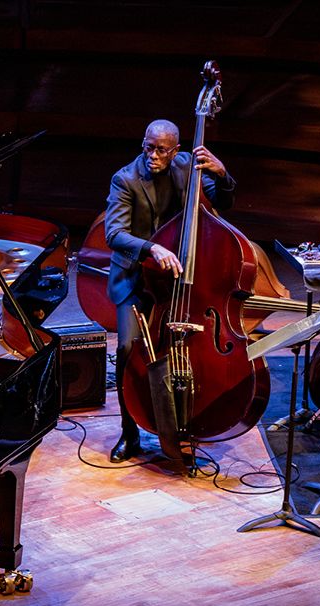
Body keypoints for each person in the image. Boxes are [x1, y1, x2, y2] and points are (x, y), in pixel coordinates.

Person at [103, 119, 236, 462]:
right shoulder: (125, 178)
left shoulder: (188, 166)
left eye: (161, 150)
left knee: (187, 349)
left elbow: (222, 203)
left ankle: (184, 423)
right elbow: (114, 234)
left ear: (175, 150)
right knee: (128, 348)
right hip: (135, 278)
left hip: (174, 281)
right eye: (148, 147)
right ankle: (129, 433)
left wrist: (222, 175)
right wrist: (152, 248)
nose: (153, 155)